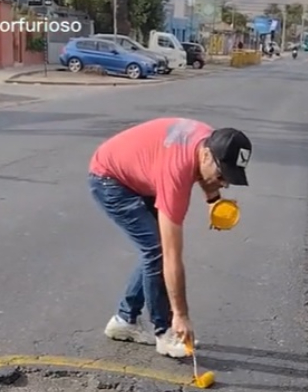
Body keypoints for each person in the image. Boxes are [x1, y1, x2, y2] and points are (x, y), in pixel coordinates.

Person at [88, 118, 252, 358]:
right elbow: (172, 258)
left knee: (153, 250)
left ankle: (124, 320)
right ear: (206, 155)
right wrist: (181, 315)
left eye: (229, 177)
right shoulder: (176, 175)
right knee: (159, 251)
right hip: (109, 179)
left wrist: (213, 200)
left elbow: (203, 172)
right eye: (221, 176)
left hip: (140, 172)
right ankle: (164, 333)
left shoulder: (210, 141)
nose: (225, 183)